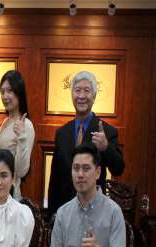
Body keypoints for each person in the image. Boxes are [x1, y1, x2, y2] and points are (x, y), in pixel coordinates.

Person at [48, 70, 125, 214]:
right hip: (66, 212)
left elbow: (119, 169)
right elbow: (55, 179)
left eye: (87, 91)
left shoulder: (107, 131)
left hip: (95, 212)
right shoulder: (62, 133)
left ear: (94, 96)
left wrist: (106, 148)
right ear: (72, 95)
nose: (81, 96)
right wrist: (52, 215)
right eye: (77, 90)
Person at [0, 70, 35, 200]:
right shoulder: (5, 121)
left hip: (11, 196)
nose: (5, 96)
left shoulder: (26, 125)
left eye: (10, 91)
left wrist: (22, 137)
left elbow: (21, 171)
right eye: (2, 91)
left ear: (19, 92)